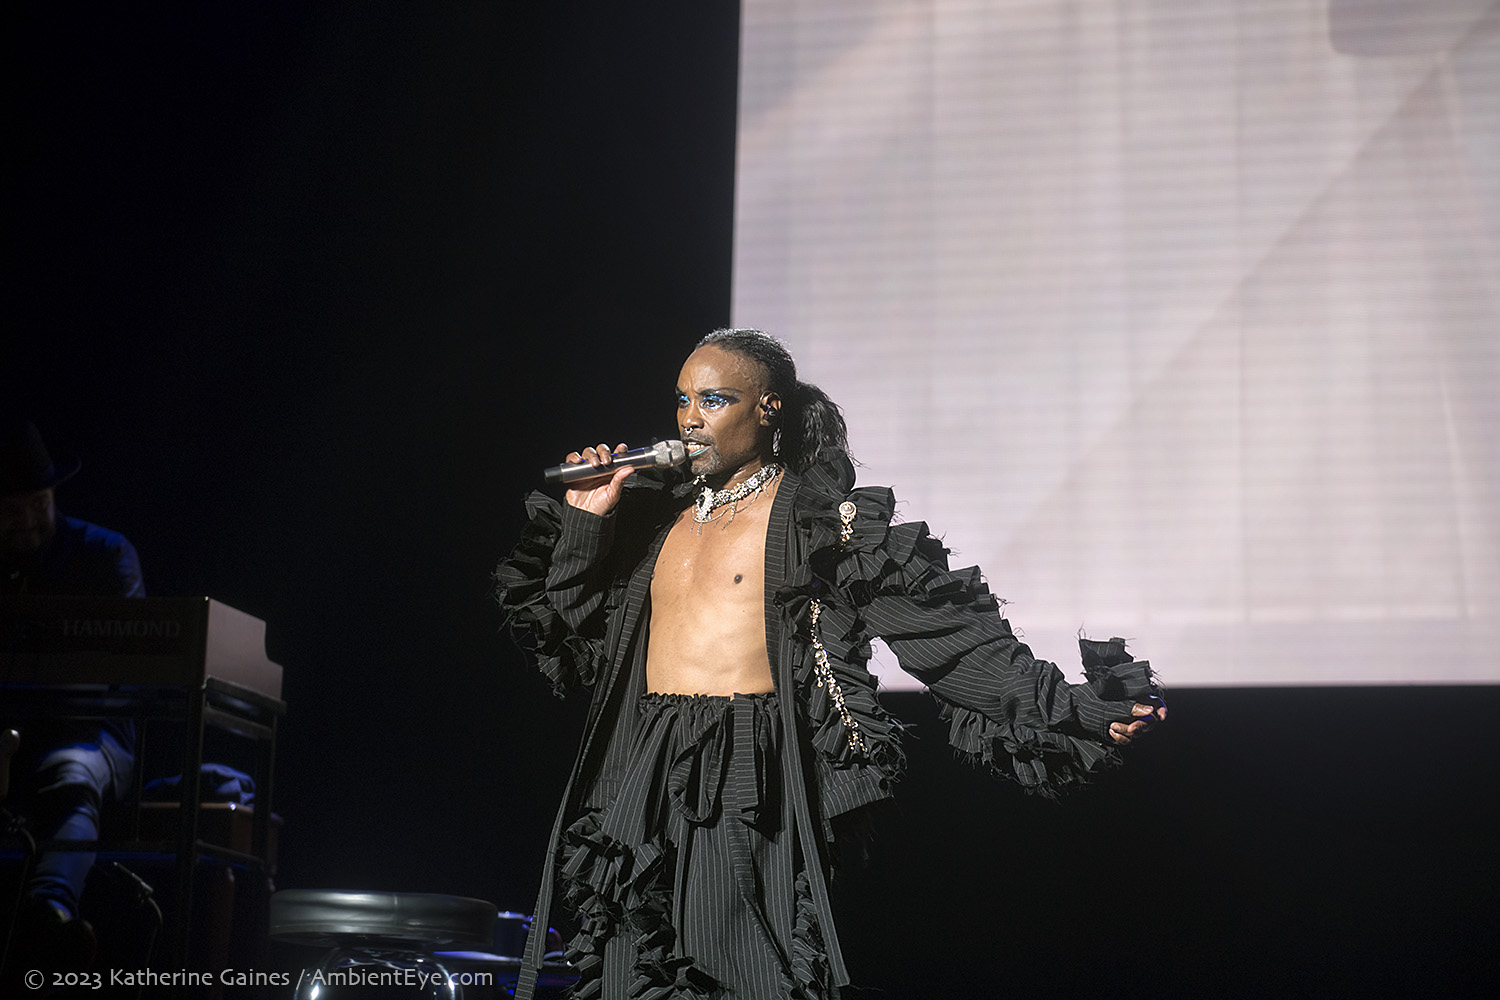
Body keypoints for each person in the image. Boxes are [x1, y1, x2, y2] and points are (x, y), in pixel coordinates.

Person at [495, 330, 1166, 1000]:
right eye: (682, 400)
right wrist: (588, 521)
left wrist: (1073, 709)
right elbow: (578, 633)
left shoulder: (820, 523)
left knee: (741, 972)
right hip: (645, 760)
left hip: (747, 767)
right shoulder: (653, 518)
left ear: (768, 409)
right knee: (631, 962)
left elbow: (949, 637)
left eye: (714, 399)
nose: (690, 418)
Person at [1, 419, 143, 965]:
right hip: (12, 735)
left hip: (91, 733)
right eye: (10, 510)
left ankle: (50, 914)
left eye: (38, 504)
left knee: (71, 770)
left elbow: (123, 668)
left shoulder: (103, 554)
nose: (27, 521)